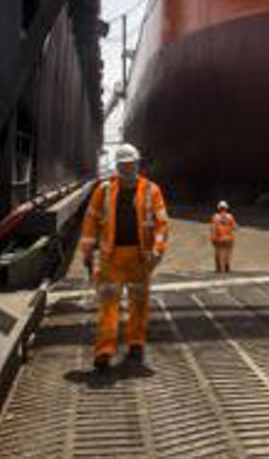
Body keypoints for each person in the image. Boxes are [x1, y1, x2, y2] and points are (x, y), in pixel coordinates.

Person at [78, 143, 168, 374]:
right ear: (118, 167)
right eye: (124, 165)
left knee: (138, 303)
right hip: (112, 257)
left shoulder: (151, 190)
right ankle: (104, 352)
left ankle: (136, 345)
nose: (128, 168)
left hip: (140, 257)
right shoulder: (105, 190)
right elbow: (90, 220)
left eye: (132, 164)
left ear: (138, 164)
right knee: (109, 306)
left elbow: (161, 223)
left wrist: (158, 250)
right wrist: (87, 250)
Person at [210, 201, 237, 273]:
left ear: (218, 208)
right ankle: (227, 266)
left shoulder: (215, 216)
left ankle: (219, 268)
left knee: (218, 252)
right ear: (227, 208)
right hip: (229, 237)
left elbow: (213, 227)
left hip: (219, 237)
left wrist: (212, 237)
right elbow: (234, 227)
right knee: (228, 252)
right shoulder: (230, 216)